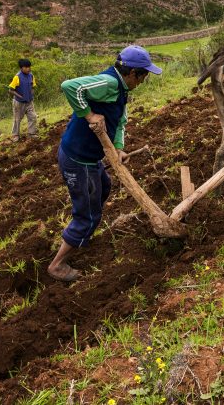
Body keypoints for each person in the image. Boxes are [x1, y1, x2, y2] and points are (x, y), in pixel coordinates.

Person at [47, 45, 162, 281]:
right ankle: (57, 264)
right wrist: (89, 115)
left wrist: (118, 149)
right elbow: (69, 86)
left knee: (104, 188)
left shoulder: (121, 89)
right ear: (133, 73)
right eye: (144, 76)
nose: (143, 82)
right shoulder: (109, 82)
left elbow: (119, 121)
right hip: (77, 158)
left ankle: (79, 230)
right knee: (89, 214)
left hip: (90, 157)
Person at [8, 58, 38, 140]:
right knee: (17, 119)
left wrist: (31, 93)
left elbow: (33, 86)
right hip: (19, 102)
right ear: (21, 68)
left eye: (29, 67)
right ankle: (15, 135)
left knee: (33, 117)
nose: (29, 68)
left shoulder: (31, 76)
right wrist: (19, 96)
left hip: (29, 102)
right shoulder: (17, 77)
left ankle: (32, 133)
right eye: (26, 67)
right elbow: (11, 90)